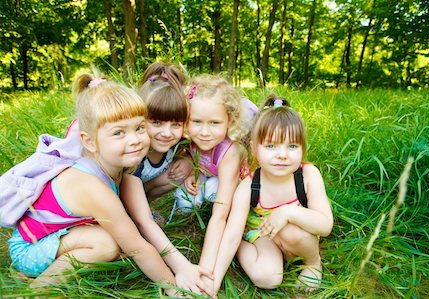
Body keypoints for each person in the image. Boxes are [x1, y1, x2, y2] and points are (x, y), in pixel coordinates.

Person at [6, 72, 211, 297]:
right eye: (119, 132)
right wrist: (172, 285)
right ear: (89, 142)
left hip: (58, 235)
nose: (134, 139)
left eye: (139, 128)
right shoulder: (90, 185)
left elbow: (141, 225)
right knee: (108, 244)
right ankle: (35, 290)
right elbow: (137, 247)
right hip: (29, 248)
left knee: (125, 233)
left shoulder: (118, 167)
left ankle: (35, 273)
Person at [211, 94, 334, 294]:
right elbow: (231, 234)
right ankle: (243, 251)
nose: (282, 154)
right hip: (263, 235)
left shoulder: (308, 175)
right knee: (267, 278)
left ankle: (313, 262)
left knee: (292, 231)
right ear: (254, 149)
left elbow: (325, 225)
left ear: (303, 148)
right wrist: (214, 282)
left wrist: (287, 212)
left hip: (295, 234)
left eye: (292, 146)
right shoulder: (249, 186)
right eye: (271, 146)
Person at [171, 74, 250, 291]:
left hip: (230, 192)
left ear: (230, 122)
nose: (204, 132)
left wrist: (204, 269)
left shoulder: (230, 152)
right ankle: (185, 218)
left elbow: (220, 215)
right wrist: (192, 171)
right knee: (187, 199)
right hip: (209, 178)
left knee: (214, 196)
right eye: (196, 122)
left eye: (215, 123)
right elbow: (193, 157)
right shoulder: (192, 141)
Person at [134, 61, 192, 201]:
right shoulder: (133, 151)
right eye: (156, 122)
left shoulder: (176, 146)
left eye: (176, 124)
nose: (167, 133)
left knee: (176, 175)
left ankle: (146, 208)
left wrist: (188, 161)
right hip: (113, 202)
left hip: (141, 193)